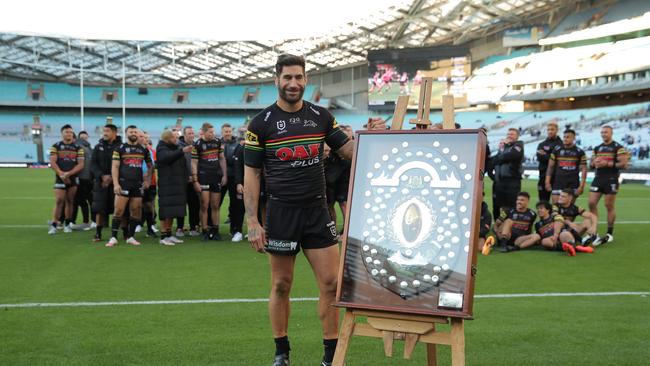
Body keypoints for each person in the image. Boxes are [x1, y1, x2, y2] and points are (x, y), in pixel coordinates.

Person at [243, 54, 384, 366]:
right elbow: (251, 174)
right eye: (288, 78)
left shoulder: (321, 116)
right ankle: (282, 352)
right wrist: (253, 220)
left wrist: (372, 135)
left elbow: (349, 151)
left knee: (332, 284)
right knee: (281, 285)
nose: (294, 83)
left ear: (305, 79)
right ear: (276, 80)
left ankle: (332, 356)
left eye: (299, 77)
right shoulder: (260, 125)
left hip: (318, 213)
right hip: (281, 214)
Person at [105, 125, 153, 247]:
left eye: (135, 132)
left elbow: (150, 166)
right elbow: (114, 167)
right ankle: (113, 237)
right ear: (126, 133)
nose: (133, 133)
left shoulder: (143, 149)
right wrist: (116, 184)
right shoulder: (120, 148)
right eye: (131, 131)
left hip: (137, 185)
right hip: (123, 184)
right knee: (119, 210)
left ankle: (131, 237)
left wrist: (147, 180)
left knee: (136, 211)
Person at [588, 126, 629, 246]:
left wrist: (607, 163)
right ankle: (594, 230)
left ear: (611, 133)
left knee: (608, 205)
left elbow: (624, 164)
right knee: (591, 203)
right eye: (602, 132)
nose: (603, 134)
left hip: (611, 179)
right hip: (598, 178)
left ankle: (609, 233)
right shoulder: (597, 148)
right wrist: (593, 163)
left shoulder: (618, 147)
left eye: (606, 132)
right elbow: (591, 164)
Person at [156, 129, 193, 245]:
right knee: (165, 211)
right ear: (167, 139)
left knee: (172, 211)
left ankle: (169, 234)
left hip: (177, 184)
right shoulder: (161, 148)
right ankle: (163, 237)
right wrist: (182, 151)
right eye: (174, 138)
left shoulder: (175, 149)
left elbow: (182, 165)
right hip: (167, 184)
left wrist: (187, 176)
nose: (176, 139)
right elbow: (167, 158)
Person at [192, 122, 227, 241]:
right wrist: (195, 179)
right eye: (210, 132)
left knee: (215, 205)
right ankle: (205, 231)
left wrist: (224, 175)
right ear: (204, 132)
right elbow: (194, 163)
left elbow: (222, 159)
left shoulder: (217, 142)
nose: (212, 134)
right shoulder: (197, 144)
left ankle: (215, 231)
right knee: (204, 205)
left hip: (216, 177)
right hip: (203, 177)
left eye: (213, 132)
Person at [48, 124, 85, 234]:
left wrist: (68, 174)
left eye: (70, 132)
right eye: (66, 132)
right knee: (59, 201)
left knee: (70, 201)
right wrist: (61, 174)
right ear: (62, 133)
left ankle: (67, 224)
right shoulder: (56, 146)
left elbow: (81, 164)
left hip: (72, 178)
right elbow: (52, 162)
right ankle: (54, 224)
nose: (69, 134)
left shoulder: (78, 148)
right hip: (60, 178)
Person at [90, 124, 121, 242]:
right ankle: (98, 233)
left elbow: (122, 164)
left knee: (119, 209)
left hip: (117, 182)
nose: (105, 133)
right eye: (104, 131)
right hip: (101, 182)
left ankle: (123, 233)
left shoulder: (121, 147)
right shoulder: (98, 147)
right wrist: (102, 176)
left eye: (107, 131)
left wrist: (113, 178)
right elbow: (93, 164)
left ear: (114, 132)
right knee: (100, 209)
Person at [545, 129, 587, 204]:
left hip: (573, 182)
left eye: (568, 137)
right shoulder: (557, 150)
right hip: (558, 182)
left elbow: (584, 169)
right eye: (564, 137)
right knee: (556, 207)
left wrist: (581, 186)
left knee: (568, 209)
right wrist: (547, 181)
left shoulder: (579, 152)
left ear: (574, 138)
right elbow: (550, 167)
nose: (565, 139)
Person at [491, 128, 524, 220]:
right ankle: (497, 225)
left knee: (511, 204)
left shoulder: (519, 145)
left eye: (512, 134)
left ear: (517, 136)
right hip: (499, 181)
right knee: (497, 204)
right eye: (508, 134)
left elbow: (511, 155)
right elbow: (494, 161)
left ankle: (509, 225)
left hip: (512, 181)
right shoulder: (503, 147)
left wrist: (500, 156)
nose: (509, 136)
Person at [220, 123, 244, 241]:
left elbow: (236, 161)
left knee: (235, 204)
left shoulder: (237, 144)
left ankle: (234, 229)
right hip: (220, 177)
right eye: (226, 131)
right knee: (215, 203)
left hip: (234, 177)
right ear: (222, 132)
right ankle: (211, 228)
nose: (228, 133)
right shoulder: (218, 143)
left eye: (229, 131)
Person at [178, 126, 201, 236]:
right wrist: (185, 176)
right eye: (189, 133)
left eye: (193, 133)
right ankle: (179, 227)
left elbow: (199, 163)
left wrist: (194, 176)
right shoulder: (177, 146)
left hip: (194, 181)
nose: (192, 135)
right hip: (181, 181)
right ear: (184, 134)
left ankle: (193, 227)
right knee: (181, 205)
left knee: (194, 205)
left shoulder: (197, 145)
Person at [72, 130, 93, 230]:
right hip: (86, 178)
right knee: (81, 201)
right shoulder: (88, 148)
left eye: (85, 137)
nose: (83, 139)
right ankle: (71, 221)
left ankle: (84, 221)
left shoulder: (82, 148)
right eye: (82, 137)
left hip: (82, 178)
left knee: (79, 201)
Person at [536, 122, 562, 202]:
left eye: (552, 129)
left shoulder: (561, 144)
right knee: (543, 202)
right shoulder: (541, 144)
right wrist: (551, 155)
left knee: (557, 203)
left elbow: (558, 159)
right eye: (548, 130)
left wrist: (546, 155)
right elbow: (540, 157)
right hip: (543, 176)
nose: (550, 131)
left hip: (557, 177)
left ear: (557, 130)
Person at [139, 130, 158, 238]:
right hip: (137, 181)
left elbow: (153, 165)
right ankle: (138, 223)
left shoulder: (151, 151)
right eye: (143, 137)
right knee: (137, 205)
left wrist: (148, 178)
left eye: (147, 138)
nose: (145, 139)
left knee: (149, 205)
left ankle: (151, 226)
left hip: (150, 182)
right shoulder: (134, 150)